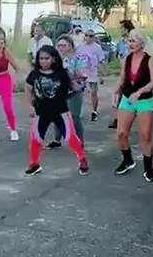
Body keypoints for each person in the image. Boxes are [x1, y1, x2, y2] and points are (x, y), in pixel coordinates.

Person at [24, 45, 89, 176]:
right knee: (36, 139)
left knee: (71, 138)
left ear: (53, 58)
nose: (44, 61)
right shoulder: (34, 74)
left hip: (60, 112)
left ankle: (82, 160)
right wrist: (29, 106)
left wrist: (81, 82)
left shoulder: (61, 73)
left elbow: (73, 87)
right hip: (41, 112)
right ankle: (35, 164)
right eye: (41, 58)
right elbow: (28, 90)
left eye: (47, 58)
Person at [113, 28, 153, 181]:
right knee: (121, 133)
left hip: (144, 101)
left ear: (142, 43)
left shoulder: (150, 60)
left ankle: (148, 169)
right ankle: (128, 160)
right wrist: (116, 93)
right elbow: (122, 79)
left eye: (133, 41)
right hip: (127, 99)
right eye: (129, 41)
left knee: (145, 135)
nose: (130, 44)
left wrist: (139, 92)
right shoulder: (127, 59)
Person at [46, 34, 89, 148]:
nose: (61, 48)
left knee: (74, 116)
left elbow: (82, 72)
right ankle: (57, 139)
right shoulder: (56, 59)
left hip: (75, 89)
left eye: (64, 45)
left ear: (70, 46)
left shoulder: (78, 58)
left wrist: (82, 74)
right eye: (59, 46)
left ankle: (80, 141)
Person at [109, 19, 135, 129]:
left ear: (127, 29)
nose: (120, 30)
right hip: (123, 74)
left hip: (134, 74)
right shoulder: (120, 43)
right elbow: (116, 57)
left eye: (122, 28)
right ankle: (118, 119)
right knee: (119, 95)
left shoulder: (134, 42)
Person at [77, 29, 106, 121]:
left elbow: (101, 61)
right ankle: (79, 111)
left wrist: (101, 75)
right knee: (81, 93)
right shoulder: (80, 47)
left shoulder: (97, 47)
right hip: (82, 74)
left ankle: (94, 111)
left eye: (91, 36)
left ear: (94, 37)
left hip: (93, 73)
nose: (88, 38)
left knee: (93, 93)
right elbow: (77, 59)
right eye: (86, 35)